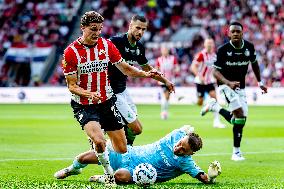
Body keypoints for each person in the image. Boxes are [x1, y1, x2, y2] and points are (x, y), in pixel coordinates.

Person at [61, 11, 160, 185]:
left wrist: (147, 74)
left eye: (99, 29)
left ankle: (78, 164)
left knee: (121, 149)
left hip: (107, 102)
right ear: (82, 28)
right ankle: (109, 175)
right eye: (93, 29)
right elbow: (72, 86)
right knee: (100, 141)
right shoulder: (70, 52)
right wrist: (89, 93)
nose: (97, 33)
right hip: (85, 105)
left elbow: (126, 68)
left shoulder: (106, 46)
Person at [54, 126, 221, 184]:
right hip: (127, 153)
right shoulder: (177, 135)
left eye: (183, 150)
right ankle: (72, 170)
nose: (178, 148)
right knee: (83, 158)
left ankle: (103, 178)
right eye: (180, 145)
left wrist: (211, 178)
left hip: (135, 172)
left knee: (120, 176)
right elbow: (186, 129)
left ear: (190, 154)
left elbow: (204, 178)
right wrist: (188, 130)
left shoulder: (186, 163)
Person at [201, 21, 268, 161]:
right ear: (229, 34)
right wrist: (228, 83)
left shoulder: (249, 47)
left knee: (240, 120)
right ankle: (236, 153)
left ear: (242, 33)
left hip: (240, 87)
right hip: (224, 86)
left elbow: (254, 64)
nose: (236, 34)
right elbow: (215, 72)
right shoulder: (223, 50)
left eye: (238, 31)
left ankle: (215, 107)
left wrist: (260, 82)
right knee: (239, 113)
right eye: (233, 32)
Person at [108, 15, 175, 145]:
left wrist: (166, 81)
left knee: (133, 128)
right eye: (138, 28)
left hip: (122, 90)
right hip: (110, 92)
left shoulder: (139, 47)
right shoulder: (116, 42)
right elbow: (130, 70)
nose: (140, 32)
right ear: (130, 26)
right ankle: (115, 147)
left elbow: (147, 68)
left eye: (143, 29)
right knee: (136, 128)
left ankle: (124, 150)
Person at [191, 38, 225, 128]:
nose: (209, 45)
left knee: (215, 99)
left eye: (211, 43)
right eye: (208, 43)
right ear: (205, 45)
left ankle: (216, 122)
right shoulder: (201, 55)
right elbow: (193, 67)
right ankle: (205, 105)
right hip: (200, 82)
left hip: (209, 81)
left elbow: (215, 69)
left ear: (213, 44)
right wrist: (199, 76)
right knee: (199, 102)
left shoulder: (214, 55)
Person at [155, 46, 179, 120]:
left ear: (168, 51)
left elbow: (177, 67)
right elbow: (156, 69)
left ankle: (164, 111)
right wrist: (157, 76)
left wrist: (176, 70)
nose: (165, 51)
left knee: (168, 97)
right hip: (162, 81)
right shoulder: (159, 59)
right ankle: (164, 112)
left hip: (170, 80)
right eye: (163, 50)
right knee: (166, 96)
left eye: (166, 50)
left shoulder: (172, 58)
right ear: (161, 51)